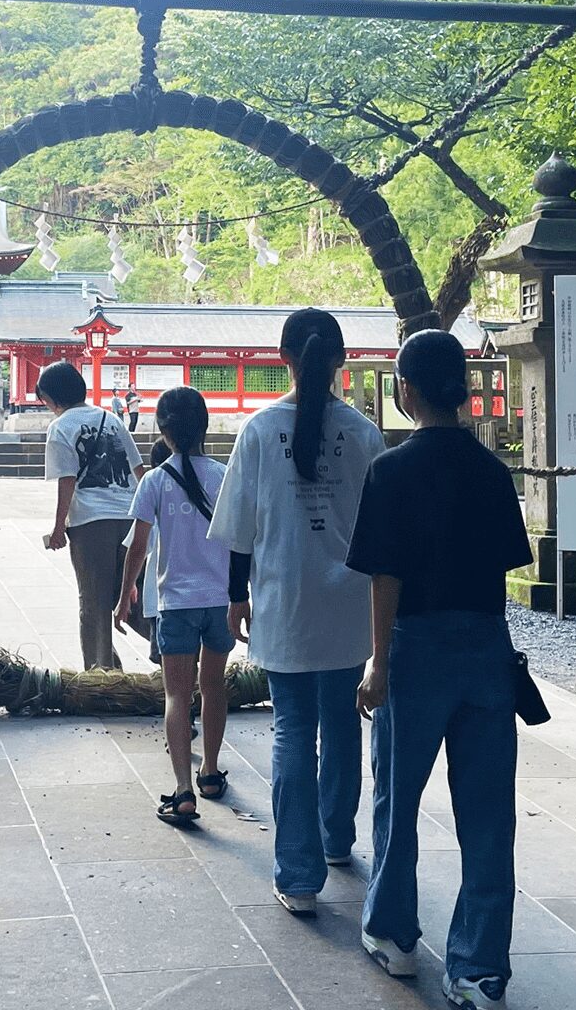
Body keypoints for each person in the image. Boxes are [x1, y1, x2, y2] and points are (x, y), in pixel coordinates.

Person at [348, 329, 532, 1009]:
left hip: (416, 648)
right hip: (485, 648)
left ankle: (394, 935)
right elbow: (503, 568)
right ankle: (480, 969)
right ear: (461, 388)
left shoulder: (391, 471)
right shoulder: (491, 471)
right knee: (489, 815)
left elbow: (384, 578)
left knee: (398, 797)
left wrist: (377, 663)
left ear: (406, 390)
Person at [207, 307, 384, 914]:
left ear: (282, 358)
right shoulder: (363, 434)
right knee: (339, 723)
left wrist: (236, 597)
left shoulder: (259, 430)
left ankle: (299, 875)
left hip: (284, 600)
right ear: (340, 360)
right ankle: (336, 839)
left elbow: (238, 529)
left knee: (291, 730)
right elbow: (383, 535)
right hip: (349, 606)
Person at [115, 387, 231, 825]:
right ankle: (211, 772)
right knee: (215, 687)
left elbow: (138, 547)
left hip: (176, 605)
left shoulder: (155, 481)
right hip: (219, 601)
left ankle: (183, 790)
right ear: (204, 427)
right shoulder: (224, 476)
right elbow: (241, 542)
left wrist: (125, 594)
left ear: (162, 429)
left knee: (177, 695)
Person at [38, 361, 143, 670]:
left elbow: (67, 480)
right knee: (133, 595)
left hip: (90, 523)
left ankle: (101, 672)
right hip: (130, 519)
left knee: (94, 601)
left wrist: (59, 528)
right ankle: (174, 655)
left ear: (52, 398)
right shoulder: (112, 420)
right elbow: (139, 471)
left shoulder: (60, 427)